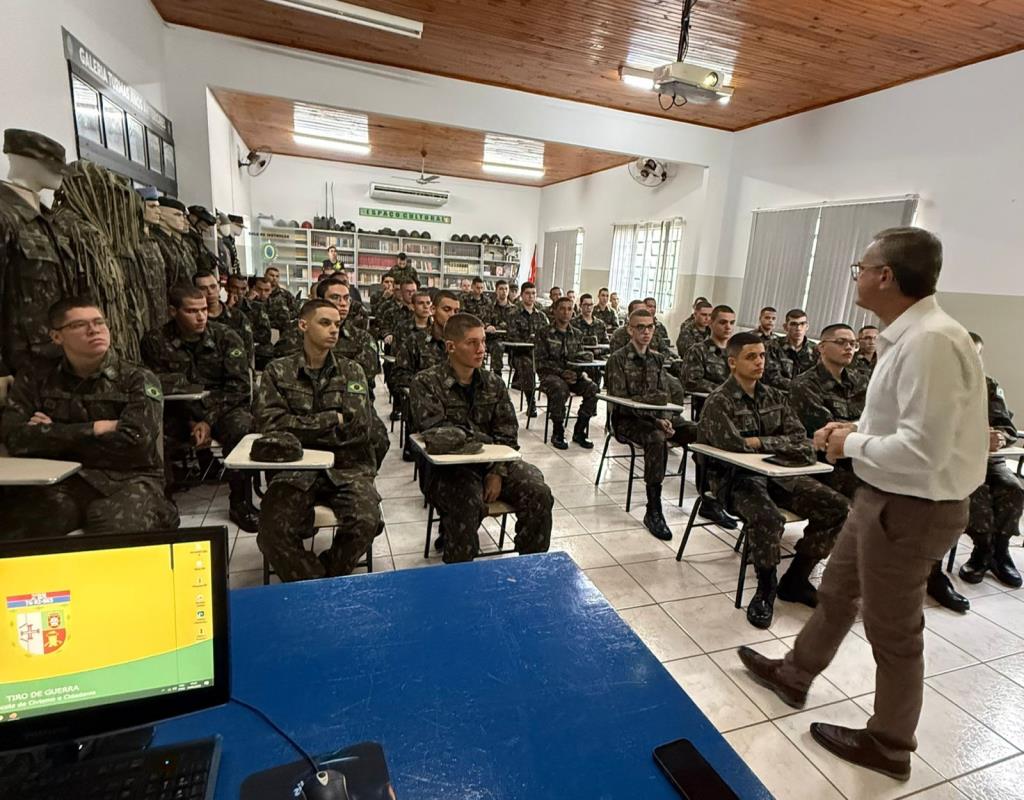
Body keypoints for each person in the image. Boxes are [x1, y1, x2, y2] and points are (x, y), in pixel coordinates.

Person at [737, 227, 987, 782]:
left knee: (894, 632)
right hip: (883, 496)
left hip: (913, 506)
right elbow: (909, 425)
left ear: (886, 276)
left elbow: (923, 450)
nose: (856, 275)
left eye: (862, 267)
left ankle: (890, 744)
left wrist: (849, 444)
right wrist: (858, 429)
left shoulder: (931, 343)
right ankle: (795, 673)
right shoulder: (913, 336)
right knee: (837, 590)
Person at [791, 323, 969, 613]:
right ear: (821, 347)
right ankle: (797, 576)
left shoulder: (863, 380)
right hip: (827, 464)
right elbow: (830, 433)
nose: (850, 347)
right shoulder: (804, 385)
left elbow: (890, 417)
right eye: (841, 342)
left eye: (852, 343)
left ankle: (931, 576)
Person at [699, 332, 849, 628]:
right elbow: (733, 445)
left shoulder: (775, 397)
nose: (759, 362)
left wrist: (758, 441)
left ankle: (796, 578)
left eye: (763, 356)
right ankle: (766, 588)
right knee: (767, 518)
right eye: (751, 357)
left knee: (837, 507)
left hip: (780, 476)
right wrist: (770, 442)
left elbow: (802, 442)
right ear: (732, 362)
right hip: (737, 479)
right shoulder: (719, 401)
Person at [1, 296, 178, 538]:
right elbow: (14, 438)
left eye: (99, 322)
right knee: (21, 528)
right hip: (62, 479)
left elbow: (137, 444)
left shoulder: (137, 378)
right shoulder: (36, 378)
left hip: (130, 479)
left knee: (115, 532)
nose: (93, 330)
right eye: (79, 325)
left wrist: (52, 434)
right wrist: (96, 428)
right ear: (56, 337)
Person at [254, 299, 385, 581]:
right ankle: (312, 582)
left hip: (346, 468)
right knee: (271, 532)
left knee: (366, 521)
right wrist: (331, 419)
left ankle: (326, 577)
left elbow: (360, 427)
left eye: (337, 324)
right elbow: (271, 425)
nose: (334, 330)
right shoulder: (278, 371)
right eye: (325, 323)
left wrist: (300, 429)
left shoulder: (352, 371)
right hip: (295, 469)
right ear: (303, 325)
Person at [409, 312, 553, 563]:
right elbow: (437, 436)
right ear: (451, 347)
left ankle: (530, 569)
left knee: (539, 492)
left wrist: (497, 471)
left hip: (494, 465)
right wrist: (486, 440)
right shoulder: (426, 382)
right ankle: (461, 581)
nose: (481, 349)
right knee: (466, 503)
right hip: (448, 471)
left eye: (484, 341)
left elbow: (508, 433)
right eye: (472, 343)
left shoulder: (493, 383)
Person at [140, 285, 257, 532]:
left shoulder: (225, 337)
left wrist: (207, 419)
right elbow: (156, 386)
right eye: (192, 311)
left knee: (243, 428)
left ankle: (241, 501)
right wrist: (191, 421)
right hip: (175, 412)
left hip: (222, 407)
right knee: (150, 434)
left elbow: (239, 387)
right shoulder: (155, 341)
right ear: (174, 311)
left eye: (203, 309)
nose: (201, 316)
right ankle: (164, 504)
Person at [605, 308, 697, 540]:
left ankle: (710, 497)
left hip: (657, 418)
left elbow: (662, 395)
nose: (646, 332)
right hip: (627, 421)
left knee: (697, 431)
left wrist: (663, 417)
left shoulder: (657, 359)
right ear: (629, 329)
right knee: (656, 439)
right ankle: (653, 508)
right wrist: (656, 419)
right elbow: (622, 401)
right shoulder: (617, 359)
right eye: (640, 327)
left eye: (650, 327)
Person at [958, 331, 1023, 588]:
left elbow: (1007, 428)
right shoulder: (938, 384)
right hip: (956, 462)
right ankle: (981, 550)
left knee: (1013, 488)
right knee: (978, 492)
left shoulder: (989, 386)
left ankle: (1001, 550)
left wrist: (999, 438)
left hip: (989, 460)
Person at [534, 297, 598, 450]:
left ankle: (579, 430)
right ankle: (558, 431)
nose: (566, 312)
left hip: (573, 375)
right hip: (550, 375)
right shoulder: (544, 333)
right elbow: (541, 362)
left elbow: (580, 358)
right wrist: (562, 372)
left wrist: (578, 372)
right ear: (554, 311)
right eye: (562, 308)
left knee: (593, 388)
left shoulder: (577, 334)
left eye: (569, 309)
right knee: (560, 388)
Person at [507, 281, 549, 417]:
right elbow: (512, 337)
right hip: (521, 354)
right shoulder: (514, 314)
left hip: (539, 355)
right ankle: (531, 402)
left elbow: (548, 335)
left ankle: (554, 403)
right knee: (528, 366)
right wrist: (531, 339)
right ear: (522, 295)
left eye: (533, 293)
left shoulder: (541, 316)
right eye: (528, 294)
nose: (531, 297)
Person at [194, 270, 254, 362]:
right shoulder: (194, 319)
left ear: (219, 287)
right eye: (203, 288)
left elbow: (249, 351)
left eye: (213, 286)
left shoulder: (237, 316)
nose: (210, 292)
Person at [681, 305, 735, 396]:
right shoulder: (698, 350)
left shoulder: (736, 351)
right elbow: (692, 382)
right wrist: (723, 389)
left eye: (732, 323)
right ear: (710, 323)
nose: (728, 327)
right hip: (710, 402)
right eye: (723, 322)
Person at [765, 309, 817, 390]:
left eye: (802, 324)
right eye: (793, 324)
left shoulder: (816, 350)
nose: (798, 328)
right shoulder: (772, 346)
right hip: (777, 394)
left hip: (805, 396)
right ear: (785, 327)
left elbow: (817, 378)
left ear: (807, 327)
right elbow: (772, 376)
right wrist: (797, 387)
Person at [232, 274, 275, 370]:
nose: (239, 292)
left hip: (254, 348)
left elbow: (266, 335)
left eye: (243, 289)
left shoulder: (257, 307)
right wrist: (231, 309)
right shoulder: (221, 309)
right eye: (235, 288)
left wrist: (245, 335)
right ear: (227, 288)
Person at [485, 279, 515, 375]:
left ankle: (518, 381)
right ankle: (497, 375)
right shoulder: (489, 307)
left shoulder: (515, 308)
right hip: (494, 339)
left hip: (511, 339)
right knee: (498, 345)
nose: (504, 292)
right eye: (501, 289)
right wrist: (488, 326)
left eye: (506, 289)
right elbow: (484, 322)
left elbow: (515, 325)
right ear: (496, 291)